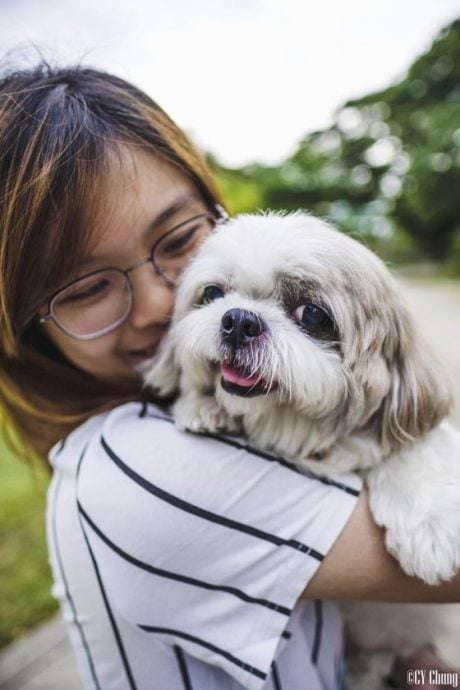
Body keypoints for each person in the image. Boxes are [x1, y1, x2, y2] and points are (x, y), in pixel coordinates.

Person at [0, 61, 458, 690]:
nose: (163, 303)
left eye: (180, 237)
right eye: (88, 286)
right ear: (28, 328)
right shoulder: (133, 474)